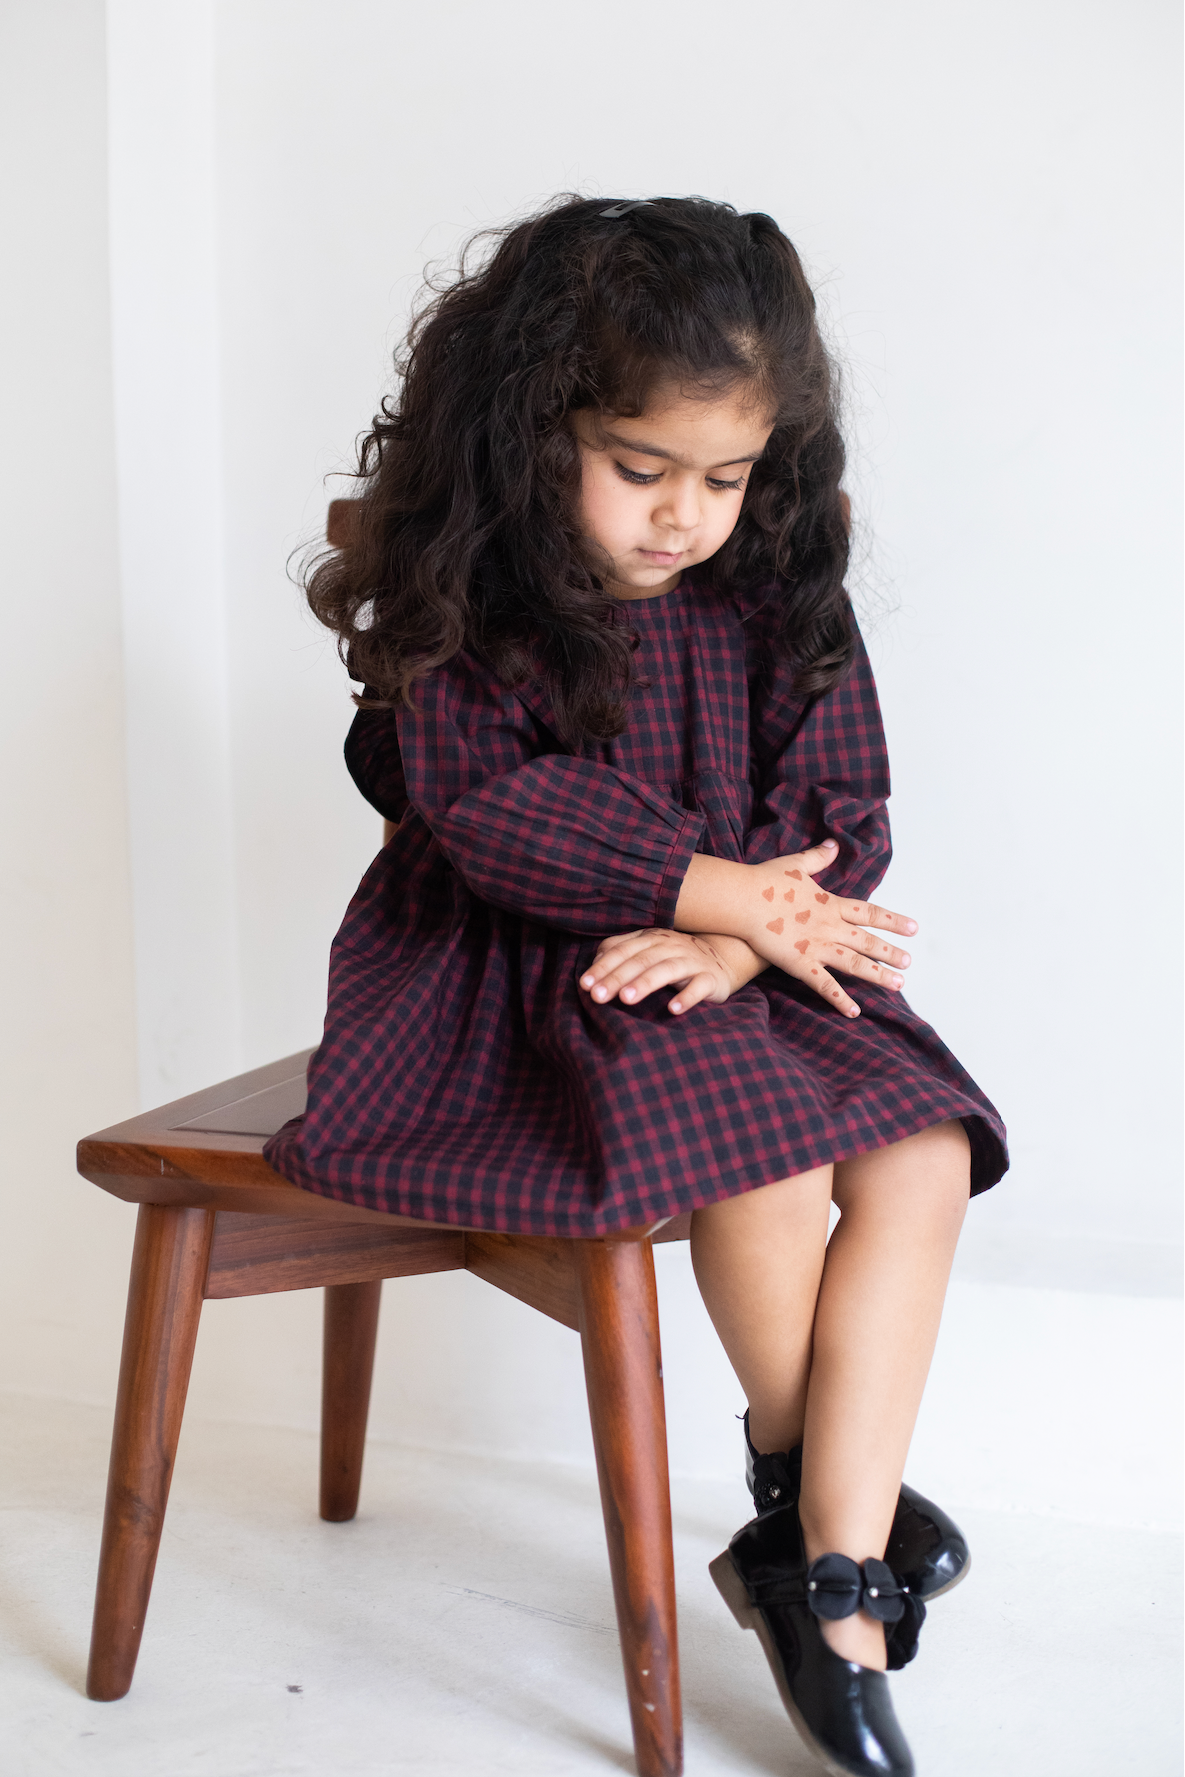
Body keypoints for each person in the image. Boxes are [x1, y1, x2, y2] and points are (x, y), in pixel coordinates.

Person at [265, 194, 1007, 1777]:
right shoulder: (485, 593)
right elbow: (478, 807)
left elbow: (841, 801)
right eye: (639, 468)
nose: (682, 517)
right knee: (773, 1150)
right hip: (522, 970)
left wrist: (745, 928)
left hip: (738, 953)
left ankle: (808, 1543)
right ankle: (845, 1588)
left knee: (927, 1147)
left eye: (724, 478)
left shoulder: (775, 586)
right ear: (537, 437)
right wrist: (699, 889)